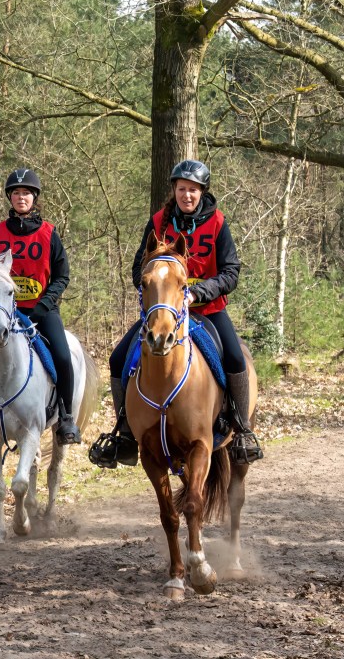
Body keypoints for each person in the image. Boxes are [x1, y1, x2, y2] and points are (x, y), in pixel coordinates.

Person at [90, 159, 263, 467]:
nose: (187, 195)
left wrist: (197, 292)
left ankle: (242, 429)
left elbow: (231, 272)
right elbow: (138, 267)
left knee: (236, 359)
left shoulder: (217, 222)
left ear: (202, 192)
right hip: (163, 312)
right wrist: (155, 287)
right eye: (182, 189)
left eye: (193, 190)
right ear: (174, 190)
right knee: (118, 359)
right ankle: (125, 433)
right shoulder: (159, 221)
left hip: (207, 310)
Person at [0, 168, 81, 445]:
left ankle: (66, 416)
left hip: (40, 310)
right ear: (9, 198)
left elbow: (62, 276)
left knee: (62, 355)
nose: (21, 197)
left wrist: (45, 304)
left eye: (26, 193)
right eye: (16, 193)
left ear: (34, 198)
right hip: (3, 312)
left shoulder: (49, 233)